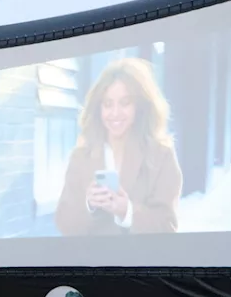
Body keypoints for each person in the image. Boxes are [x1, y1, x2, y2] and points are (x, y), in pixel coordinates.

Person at [54, 58, 183, 237]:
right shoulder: (81, 157)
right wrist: (88, 205)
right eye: (107, 104)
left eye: (125, 103)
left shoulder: (162, 155)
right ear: (98, 108)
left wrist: (127, 212)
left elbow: (168, 225)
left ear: (140, 105)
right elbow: (64, 223)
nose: (115, 113)